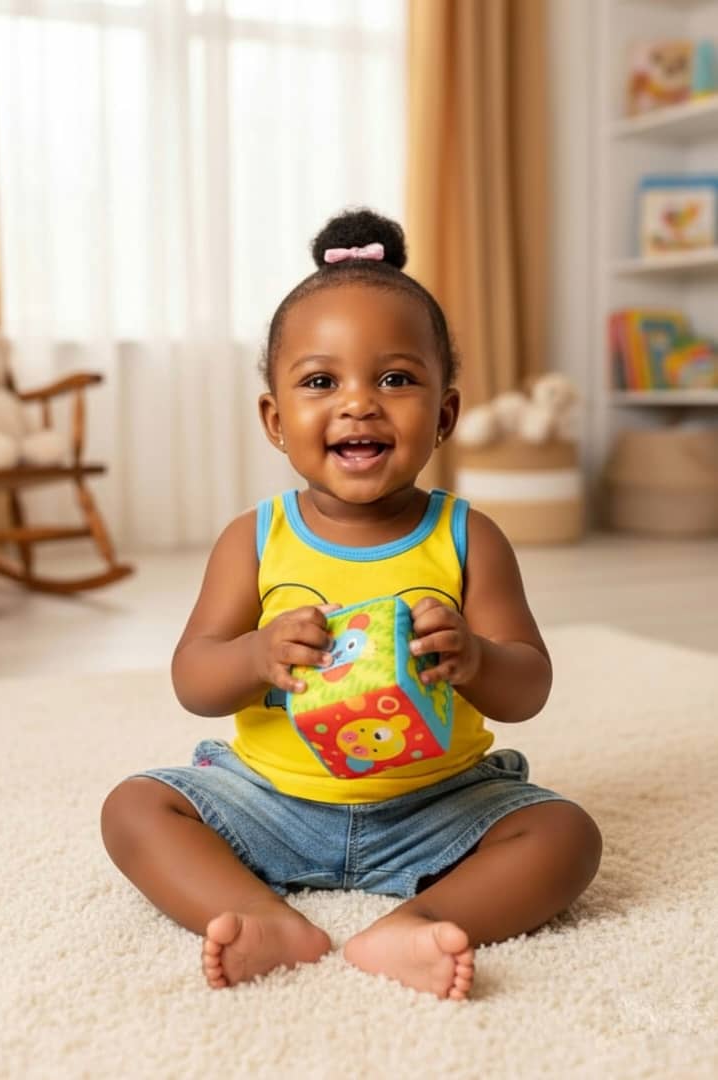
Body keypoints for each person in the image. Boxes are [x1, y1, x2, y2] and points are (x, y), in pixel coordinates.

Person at [101, 208, 602, 1002]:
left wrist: (473, 656)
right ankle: (256, 914)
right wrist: (256, 652)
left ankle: (420, 920)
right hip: (272, 798)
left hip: (435, 802)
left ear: (444, 416)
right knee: (134, 809)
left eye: (396, 379)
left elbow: (529, 685)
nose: (359, 404)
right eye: (320, 382)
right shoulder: (254, 539)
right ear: (276, 420)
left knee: (566, 837)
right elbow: (194, 679)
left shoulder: (470, 536)